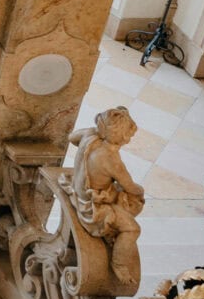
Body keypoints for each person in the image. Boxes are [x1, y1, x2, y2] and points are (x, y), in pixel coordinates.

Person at [62, 106, 146, 285]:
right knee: (132, 228)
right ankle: (119, 264)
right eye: (128, 135)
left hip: (78, 189)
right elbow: (130, 187)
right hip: (92, 207)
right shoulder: (112, 160)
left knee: (118, 195)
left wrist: (95, 132)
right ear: (121, 136)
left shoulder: (90, 136)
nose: (128, 139)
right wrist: (141, 192)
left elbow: (71, 137)